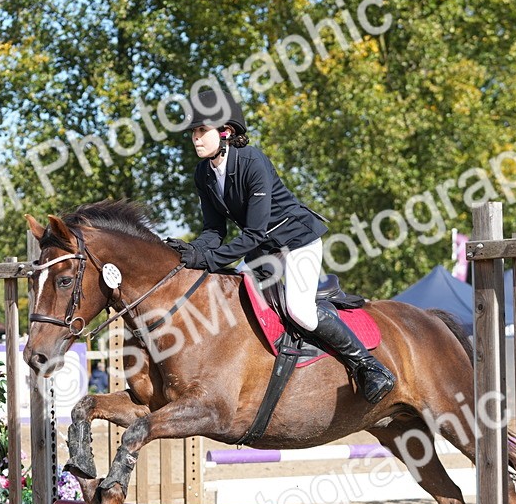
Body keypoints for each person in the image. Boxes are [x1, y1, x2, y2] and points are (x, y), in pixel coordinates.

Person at [167, 89, 395, 404]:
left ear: (226, 132)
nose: (195, 138)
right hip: (263, 250)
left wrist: (207, 258)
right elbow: (213, 230)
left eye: (201, 130)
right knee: (233, 300)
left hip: (295, 241)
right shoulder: (204, 173)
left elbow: (255, 232)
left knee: (298, 310)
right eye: (193, 131)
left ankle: (369, 366)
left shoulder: (252, 162)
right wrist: (193, 253)